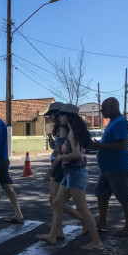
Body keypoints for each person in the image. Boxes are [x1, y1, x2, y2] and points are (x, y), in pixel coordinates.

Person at [36, 104, 103, 251]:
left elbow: (76, 154)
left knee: (82, 208)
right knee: (57, 203)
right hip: (69, 173)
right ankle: (52, 235)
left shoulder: (72, 132)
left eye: (62, 115)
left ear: (69, 116)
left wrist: (60, 157)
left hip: (75, 173)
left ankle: (96, 241)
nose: (59, 117)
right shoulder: (73, 131)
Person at [92, 97, 128, 237]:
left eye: (103, 108)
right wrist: (100, 147)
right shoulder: (113, 122)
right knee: (101, 194)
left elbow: (122, 145)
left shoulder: (120, 122)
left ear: (113, 107)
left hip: (118, 168)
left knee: (125, 198)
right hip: (107, 168)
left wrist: (100, 146)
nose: (101, 111)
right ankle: (102, 223)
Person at [44, 102, 82, 238]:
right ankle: (58, 230)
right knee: (55, 201)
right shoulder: (61, 128)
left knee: (56, 202)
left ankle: (85, 221)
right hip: (58, 164)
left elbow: (62, 151)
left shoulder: (64, 129)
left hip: (59, 166)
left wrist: (51, 168)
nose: (50, 118)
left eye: (51, 115)